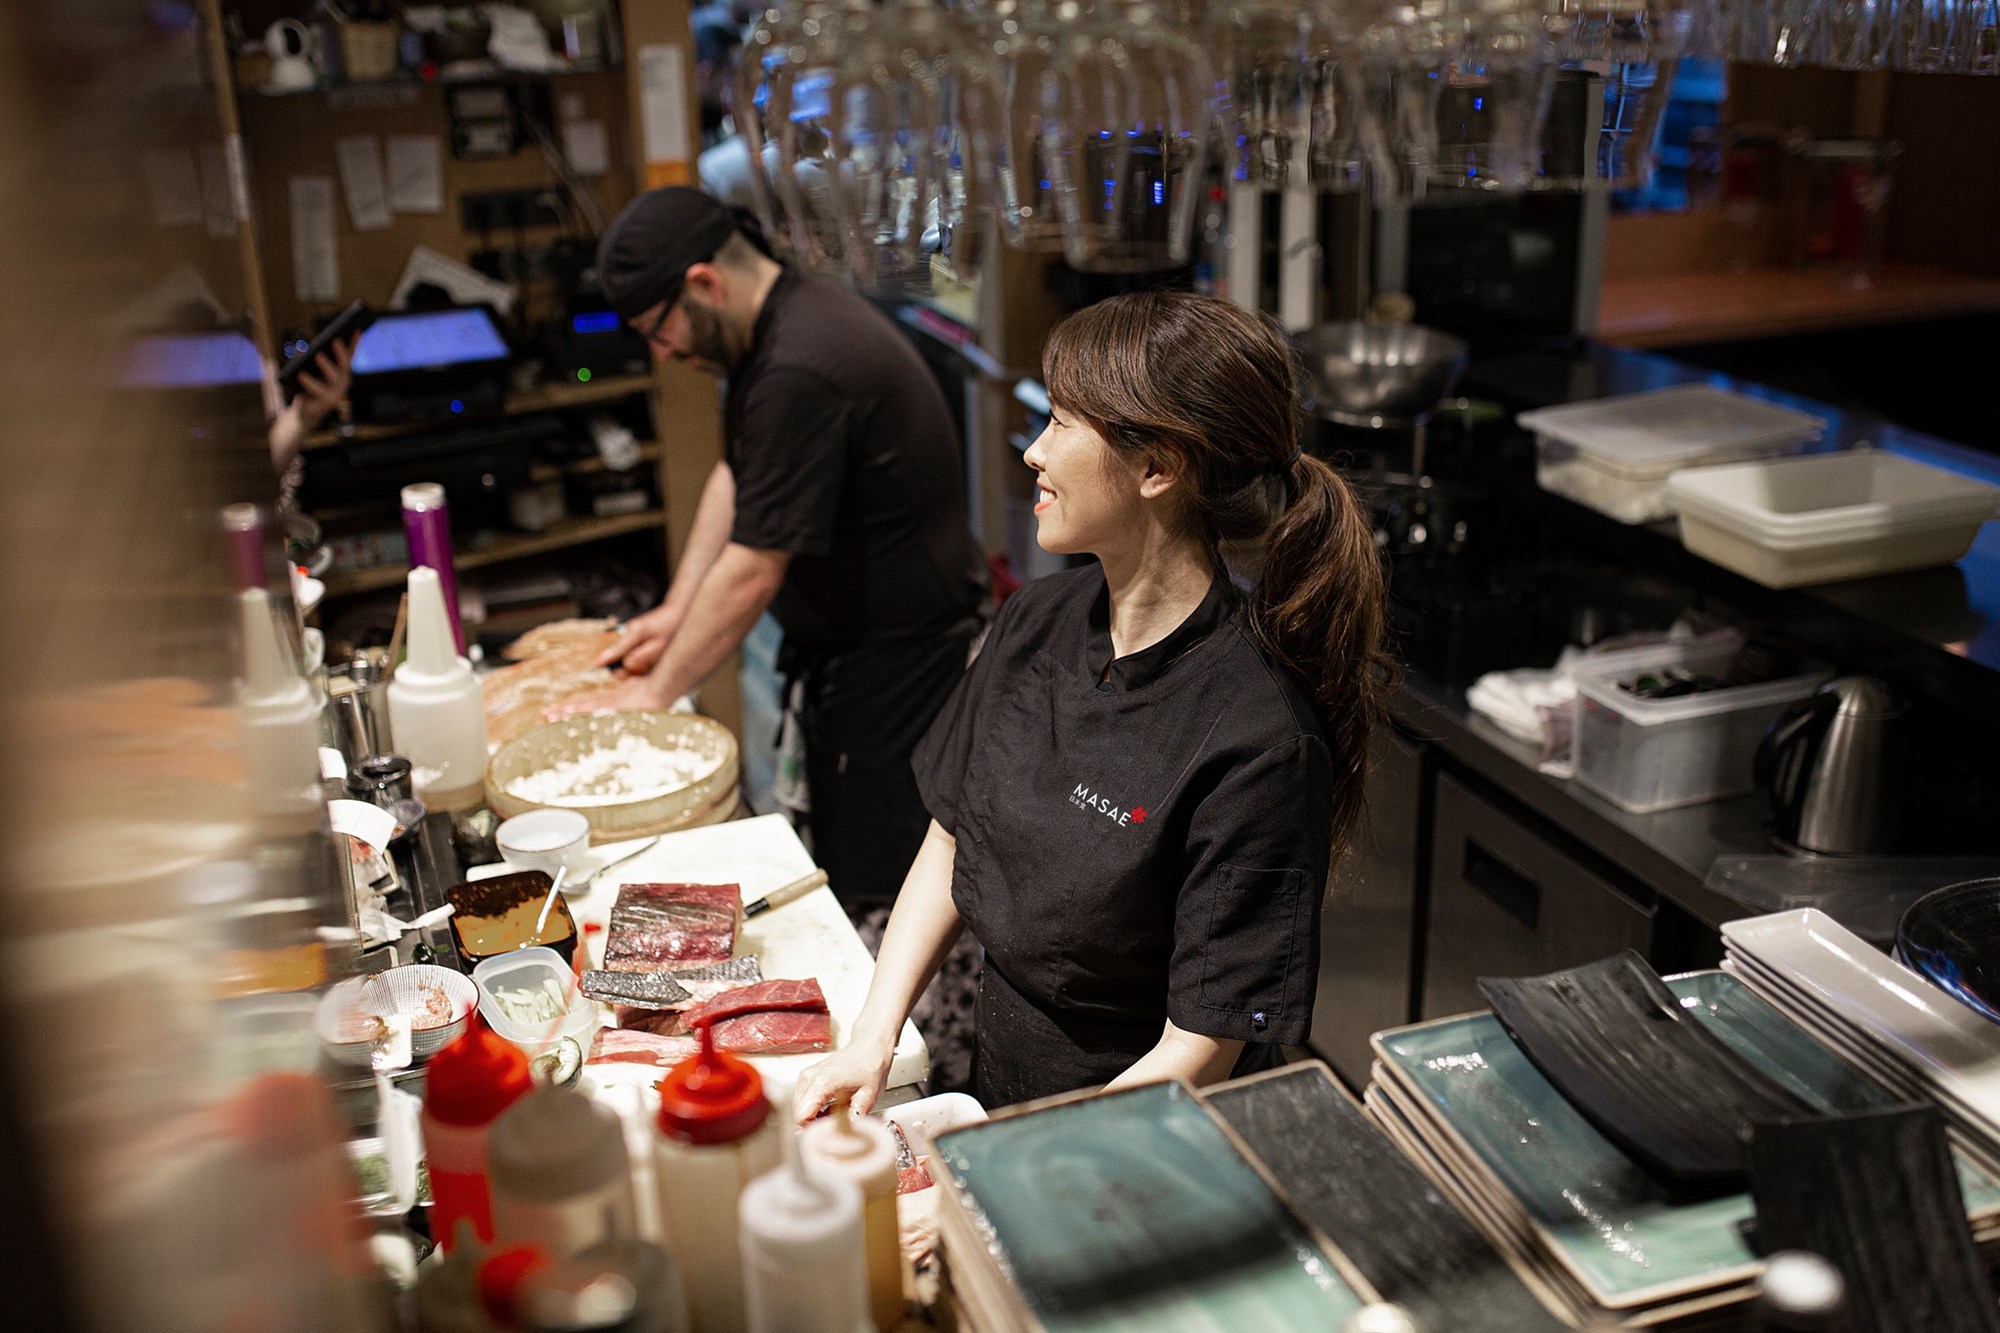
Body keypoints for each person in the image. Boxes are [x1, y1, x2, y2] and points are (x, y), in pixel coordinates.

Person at [794, 290, 1392, 1115]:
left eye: (1063, 423)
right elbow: (951, 835)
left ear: (1158, 467)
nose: (1035, 452)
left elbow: (1197, 1047)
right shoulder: (1035, 620)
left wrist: (1019, 1169)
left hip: (1147, 1147)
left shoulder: (1259, 738)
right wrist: (872, 1039)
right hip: (1001, 1096)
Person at [556, 187, 987, 916]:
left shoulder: (798, 367)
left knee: (882, 890)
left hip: (903, 667)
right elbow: (739, 475)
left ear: (704, 284)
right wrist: (676, 608)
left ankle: (906, 1030)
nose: (664, 352)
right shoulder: (776, 323)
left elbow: (756, 564)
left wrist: (653, 696)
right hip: (857, 650)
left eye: (658, 332)